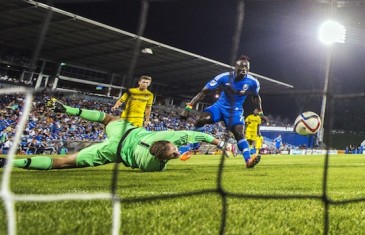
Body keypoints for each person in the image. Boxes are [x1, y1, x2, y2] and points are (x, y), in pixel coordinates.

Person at [0, 98, 231, 172]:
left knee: (107, 118)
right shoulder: (154, 166)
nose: (176, 149)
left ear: (165, 142)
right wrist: (219, 141)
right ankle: (11, 163)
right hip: (114, 152)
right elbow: (192, 140)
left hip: (125, 131)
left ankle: (68, 110)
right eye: (175, 151)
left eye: (174, 150)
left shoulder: (168, 137)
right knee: (63, 163)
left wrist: (219, 141)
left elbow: (195, 135)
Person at [180, 55, 267, 168]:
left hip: (235, 111)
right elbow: (204, 92)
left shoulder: (253, 82)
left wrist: (260, 112)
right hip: (219, 108)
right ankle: (194, 148)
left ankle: (248, 160)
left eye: (246, 67)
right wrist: (188, 108)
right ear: (235, 68)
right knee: (200, 120)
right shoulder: (224, 77)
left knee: (239, 133)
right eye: (241, 67)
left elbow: (256, 97)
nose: (244, 69)